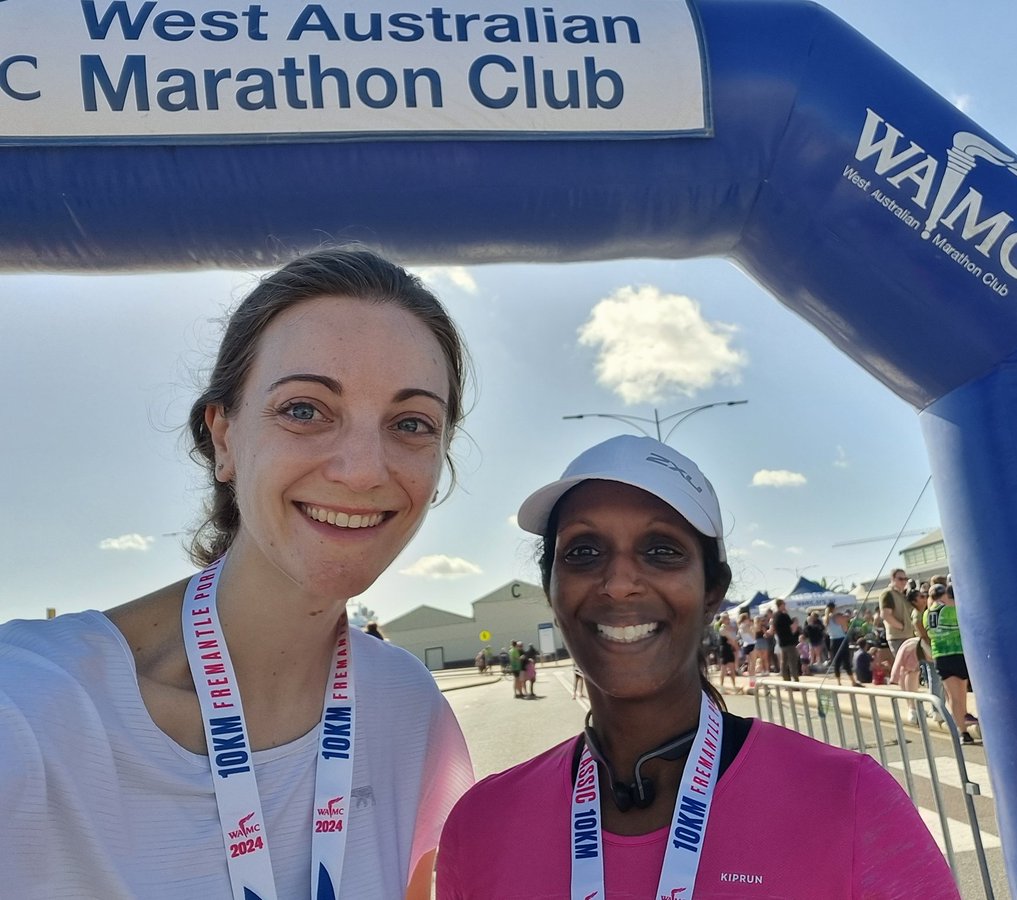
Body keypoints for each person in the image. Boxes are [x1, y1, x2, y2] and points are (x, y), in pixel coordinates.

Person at [0, 248, 475, 899]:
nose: (363, 469)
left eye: (412, 423)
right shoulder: (29, 713)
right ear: (223, 437)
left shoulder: (407, 709)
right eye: (305, 410)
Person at [436, 435, 958, 898]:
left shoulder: (847, 800)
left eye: (661, 550)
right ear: (552, 589)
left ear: (713, 591)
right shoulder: (482, 824)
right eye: (584, 552)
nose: (619, 583)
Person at [924, 583, 976, 744]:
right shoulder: (951, 610)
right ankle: (963, 727)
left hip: (940, 656)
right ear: (945, 595)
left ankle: (962, 731)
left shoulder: (927, 614)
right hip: (957, 653)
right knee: (961, 694)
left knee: (953, 696)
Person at [880, 567, 917, 654]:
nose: (904, 581)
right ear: (892, 579)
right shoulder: (888, 593)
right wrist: (903, 627)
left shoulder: (902, 595)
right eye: (900, 579)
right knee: (904, 666)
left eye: (905, 579)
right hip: (898, 637)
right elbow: (885, 615)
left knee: (912, 666)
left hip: (908, 636)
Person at [771, 597, 802, 681]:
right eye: (784, 604)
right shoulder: (784, 615)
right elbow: (792, 627)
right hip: (789, 641)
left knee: (784, 662)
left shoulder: (775, 616)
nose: (785, 606)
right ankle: (796, 681)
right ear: (781, 605)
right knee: (792, 662)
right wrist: (795, 622)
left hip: (782, 642)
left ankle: (786, 681)